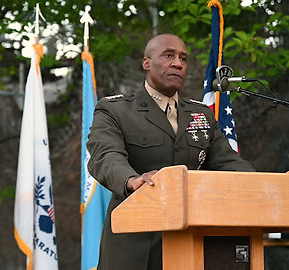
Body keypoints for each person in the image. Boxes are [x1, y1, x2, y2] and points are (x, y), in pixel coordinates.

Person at [87, 33, 255, 270]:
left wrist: (264, 186)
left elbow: (229, 163)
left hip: (190, 242)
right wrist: (133, 180)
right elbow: (105, 156)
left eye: (183, 59)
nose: (178, 63)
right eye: (168, 55)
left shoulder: (202, 114)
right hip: (136, 243)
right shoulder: (115, 110)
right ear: (147, 63)